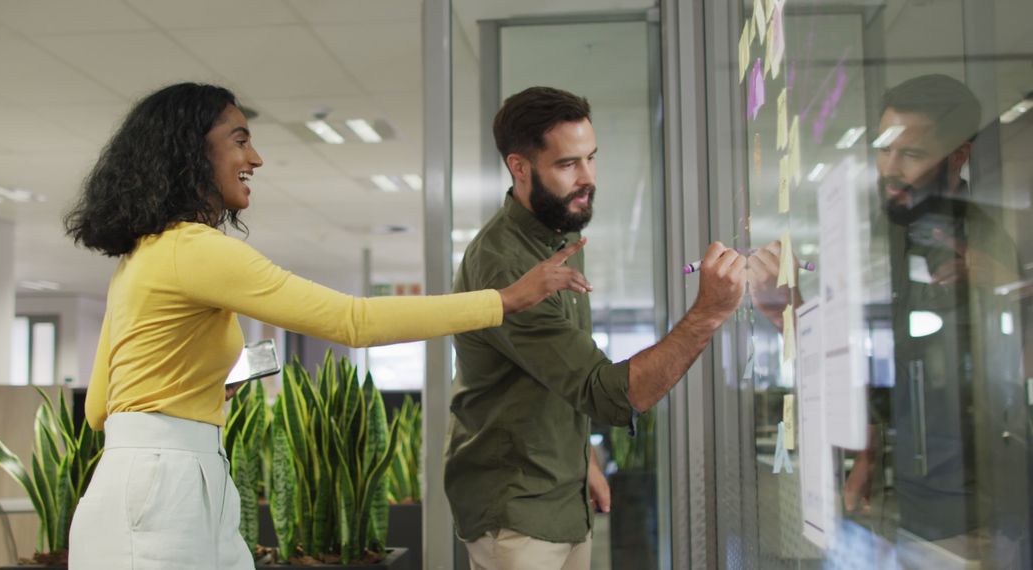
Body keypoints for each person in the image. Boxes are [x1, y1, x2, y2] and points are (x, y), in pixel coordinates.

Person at [63, 82, 592, 570]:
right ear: (191, 152)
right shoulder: (194, 249)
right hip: (164, 491)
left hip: (164, 480)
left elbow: (97, 409)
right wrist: (503, 300)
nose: (255, 158)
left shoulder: (143, 255)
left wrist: (196, 388)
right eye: (240, 141)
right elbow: (351, 321)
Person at [445, 86, 747, 569]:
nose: (587, 178)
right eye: (568, 164)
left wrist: (581, 463)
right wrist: (708, 313)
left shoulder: (559, 232)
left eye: (592, 158)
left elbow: (557, 373)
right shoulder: (505, 266)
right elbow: (608, 395)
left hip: (563, 494)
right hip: (517, 509)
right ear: (519, 167)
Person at [750, 75, 1022, 558]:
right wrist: (865, 460)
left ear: (958, 157)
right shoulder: (882, 233)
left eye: (912, 155)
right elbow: (871, 362)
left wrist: (999, 288)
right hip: (901, 506)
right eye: (884, 149)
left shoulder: (982, 241)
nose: (890, 168)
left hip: (971, 511)